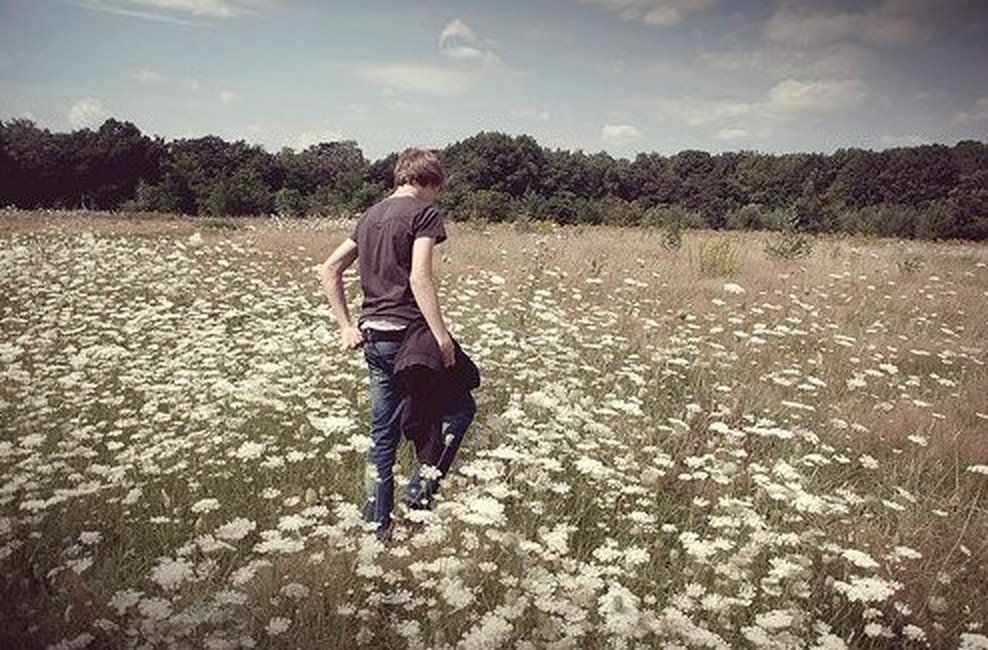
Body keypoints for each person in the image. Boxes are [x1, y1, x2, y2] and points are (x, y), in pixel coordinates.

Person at [320, 148, 477, 540]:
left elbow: (329, 268)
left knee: (383, 435)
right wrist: (442, 338)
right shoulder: (424, 213)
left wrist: (346, 327)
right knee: (460, 409)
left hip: (374, 339)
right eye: (438, 189)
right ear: (431, 182)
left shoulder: (370, 215)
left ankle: (378, 528)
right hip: (411, 338)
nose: (437, 196)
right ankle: (418, 496)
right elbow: (419, 278)